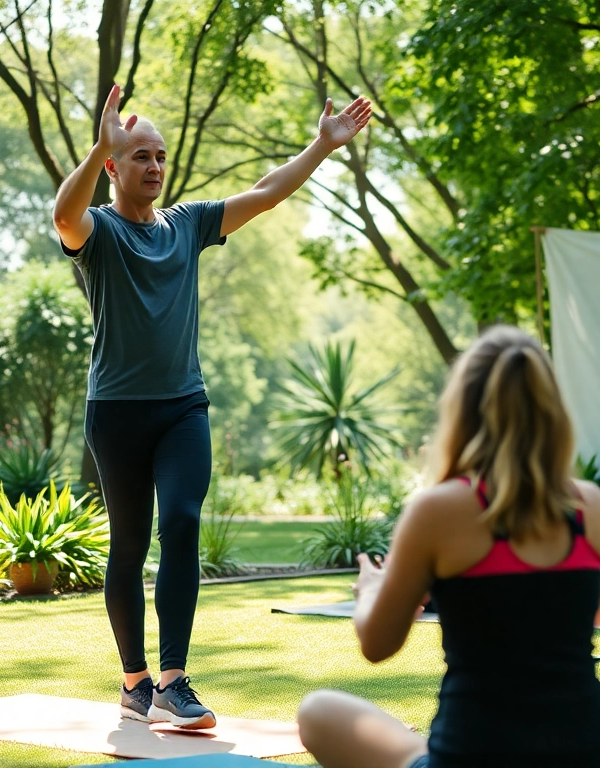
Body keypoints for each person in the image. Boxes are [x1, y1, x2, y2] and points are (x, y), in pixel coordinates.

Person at [51, 83, 372, 728]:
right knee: (128, 542)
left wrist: (322, 146)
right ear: (115, 167)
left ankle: (173, 679)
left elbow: (265, 192)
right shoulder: (101, 230)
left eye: (159, 156)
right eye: (140, 156)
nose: (154, 166)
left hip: (181, 408)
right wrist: (98, 147)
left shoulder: (188, 225)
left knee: (181, 520)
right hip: (116, 409)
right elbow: (63, 214)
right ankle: (134, 680)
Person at [297, 326, 600, 768]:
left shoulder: (435, 510)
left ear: (462, 410)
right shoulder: (589, 505)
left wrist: (373, 589)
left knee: (317, 711)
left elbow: (376, 645)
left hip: (469, 754)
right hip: (589, 754)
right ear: (551, 410)